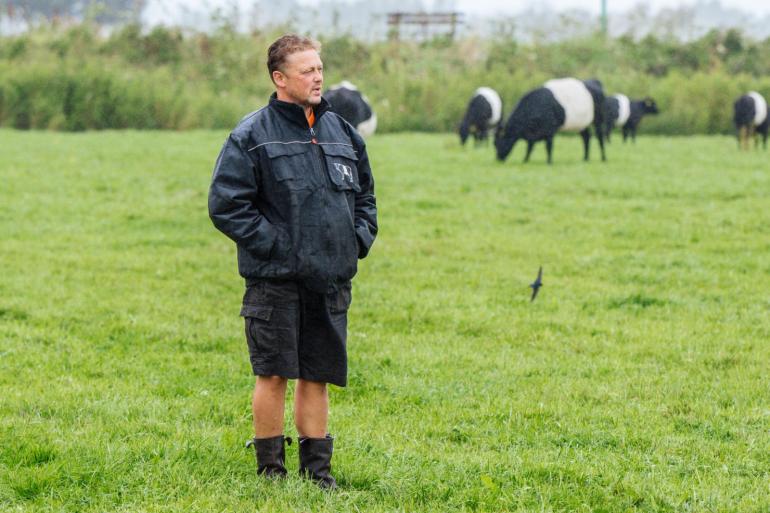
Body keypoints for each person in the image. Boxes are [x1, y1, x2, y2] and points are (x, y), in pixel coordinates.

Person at [208, 34, 377, 489]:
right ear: (280, 79)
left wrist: (356, 241)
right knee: (274, 372)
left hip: (330, 278)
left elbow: (366, 197)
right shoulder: (250, 136)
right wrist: (279, 248)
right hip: (275, 280)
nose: (318, 76)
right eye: (307, 70)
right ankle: (271, 472)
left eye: (319, 67)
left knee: (318, 374)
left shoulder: (343, 133)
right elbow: (227, 205)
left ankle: (318, 473)